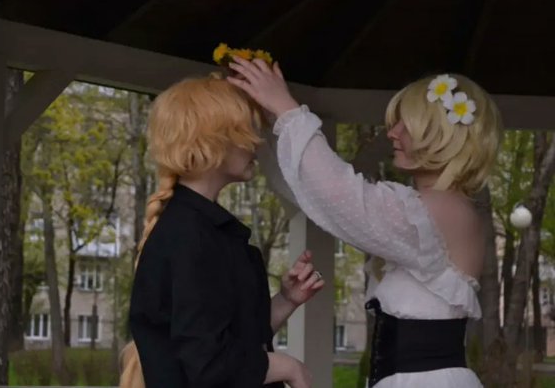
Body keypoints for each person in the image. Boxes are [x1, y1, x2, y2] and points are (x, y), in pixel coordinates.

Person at [227, 59, 502, 388]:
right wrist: (271, 119)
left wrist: (286, 108)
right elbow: (311, 195)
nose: (392, 133)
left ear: (441, 135)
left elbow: (338, 194)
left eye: (406, 125)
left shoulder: (441, 208)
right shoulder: (448, 208)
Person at [120, 76, 325, 388]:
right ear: (210, 142)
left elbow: (233, 342)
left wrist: (286, 300)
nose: (256, 142)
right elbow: (208, 366)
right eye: (244, 130)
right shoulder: (189, 236)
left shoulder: (207, 230)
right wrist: (289, 367)